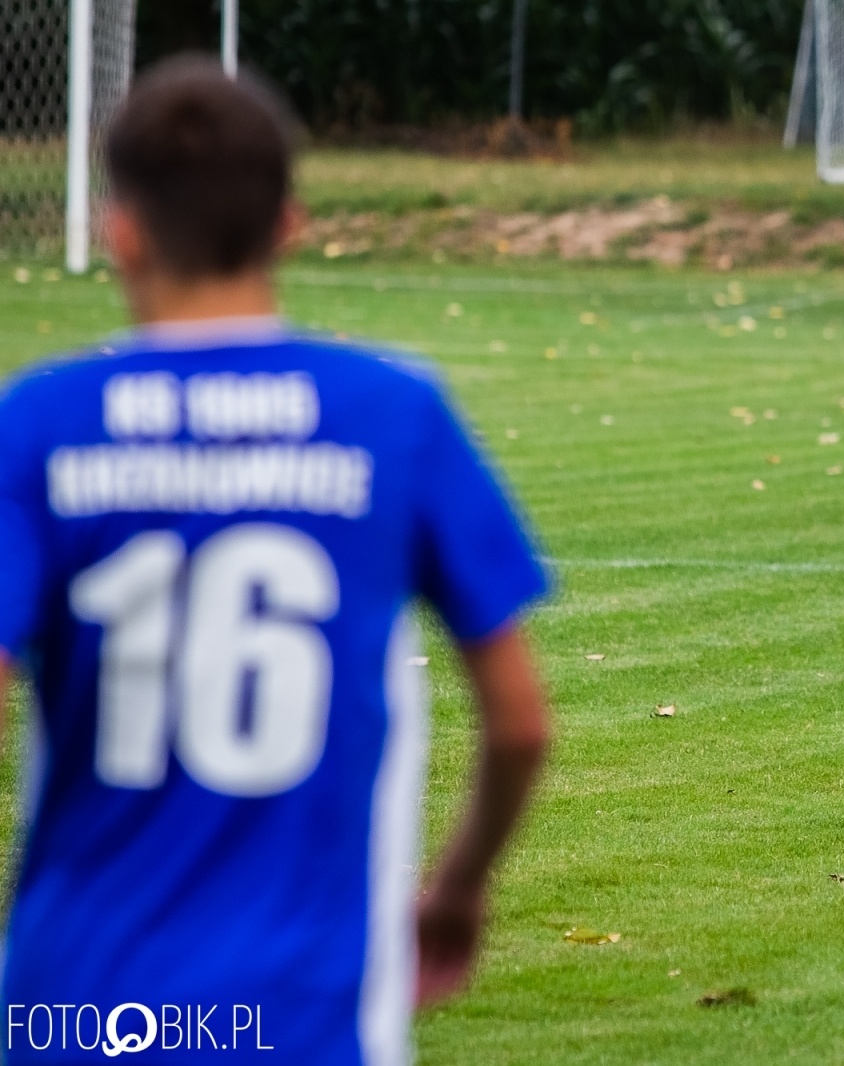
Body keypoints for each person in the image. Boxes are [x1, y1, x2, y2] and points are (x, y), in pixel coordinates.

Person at [0, 57, 551, 1062]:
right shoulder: (393, 413)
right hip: (303, 1009)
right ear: (290, 223)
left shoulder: (38, 423)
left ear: (118, 228)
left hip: (73, 1005)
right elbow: (518, 725)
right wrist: (457, 888)